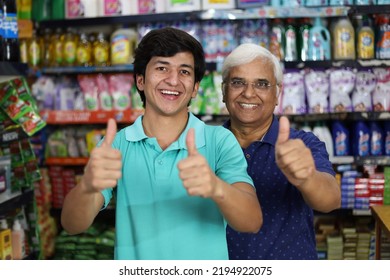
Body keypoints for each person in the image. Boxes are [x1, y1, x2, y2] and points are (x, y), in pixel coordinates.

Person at [61, 28, 262, 260]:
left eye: (184, 71)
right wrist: (87, 186)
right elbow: (72, 225)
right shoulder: (116, 145)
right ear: (140, 80)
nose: (173, 80)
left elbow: (252, 221)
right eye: (161, 68)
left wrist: (216, 187)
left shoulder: (219, 140)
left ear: (195, 87)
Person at [221, 43, 341, 260]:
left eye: (262, 84)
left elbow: (331, 200)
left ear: (277, 94)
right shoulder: (206, 146)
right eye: (238, 82)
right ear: (224, 91)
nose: (249, 93)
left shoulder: (302, 143)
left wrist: (307, 178)